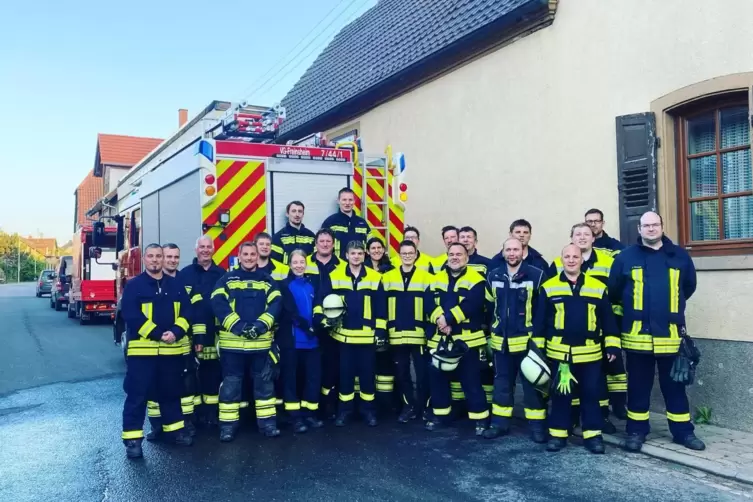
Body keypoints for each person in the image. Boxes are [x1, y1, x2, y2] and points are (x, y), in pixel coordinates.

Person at [608, 211, 704, 452]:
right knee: (638, 388)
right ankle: (636, 432)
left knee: (675, 388)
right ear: (639, 230)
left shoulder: (680, 256)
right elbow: (615, 291)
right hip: (637, 337)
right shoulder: (624, 258)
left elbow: (688, 287)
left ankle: (683, 432)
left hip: (671, 337)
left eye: (655, 225)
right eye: (646, 226)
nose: (650, 229)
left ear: (662, 227)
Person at [537, 244, 620, 454]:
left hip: (591, 354)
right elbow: (540, 322)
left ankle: (593, 437)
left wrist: (612, 345)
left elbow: (608, 320)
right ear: (561, 260)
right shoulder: (549, 286)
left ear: (582, 260)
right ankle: (558, 434)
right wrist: (539, 351)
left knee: (591, 394)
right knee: (561, 396)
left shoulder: (597, 287)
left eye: (575, 256)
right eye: (567, 256)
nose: (572, 260)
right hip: (560, 354)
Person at [549, 223, 627, 431]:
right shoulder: (556, 264)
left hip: (598, 335)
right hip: (565, 343)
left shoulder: (608, 262)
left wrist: (612, 340)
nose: (582, 238)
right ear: (571, 239)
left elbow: (615, 296)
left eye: (586, 234)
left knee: (595, 384)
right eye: (577, 234)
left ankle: (600, 420)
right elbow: (547, 307)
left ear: (594, 238)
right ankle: (571, 420)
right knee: (567, 386)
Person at [120, 243, 193, 458]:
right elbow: (131, 315)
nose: (155, 260)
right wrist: (159, 333)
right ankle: (133, 440)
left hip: (171, 353)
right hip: (142, 354)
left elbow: (187, 312)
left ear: (163, 259)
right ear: (144, 259)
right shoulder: (134, 286)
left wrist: (176, 332)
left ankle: (175, 433)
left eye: (158, 256)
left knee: (171, 394)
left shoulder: (176, 285)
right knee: (137, 396)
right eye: (151, 256)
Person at [211, 241, 282, 441]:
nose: (250, 257)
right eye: (246, 254)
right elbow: (218, 303)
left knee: (264, 386)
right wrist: (239, 326)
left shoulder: (267, 281)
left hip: (260, 346)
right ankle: (227, 427)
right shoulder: (227, 279)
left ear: (257, 256)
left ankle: (268, 425)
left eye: (253, 254)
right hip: (232, 347)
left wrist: (260, 326)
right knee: (231, 388)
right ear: (239, 257)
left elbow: (276, 305)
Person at [483, 237, 547, 443]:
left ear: (523, 251)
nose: (512, 253)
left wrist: (538, 339)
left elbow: (543, 311)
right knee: (501, 385)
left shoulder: (536, 276)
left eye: (516, 250)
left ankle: (537, 427)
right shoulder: (493, 276)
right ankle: (499, 424)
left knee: (531, 387)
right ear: (503, 253)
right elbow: (488, 308)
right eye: (508, 250)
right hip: (501, 342)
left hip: (527, 343)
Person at [425, 243, 489, 436]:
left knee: (471, 381)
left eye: (459, 254)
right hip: (441, 340)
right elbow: (429, 302)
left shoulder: (476, 280)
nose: (454, 257)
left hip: (468, 342)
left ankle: (480, 419)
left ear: (466, 258)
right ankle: (441, 415)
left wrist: (448, 319)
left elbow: (473, 304)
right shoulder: (436, 279)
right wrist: (439, 319)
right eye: (451, 254)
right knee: (438, 380)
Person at [323, 240, 386, 427]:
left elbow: (381, 307)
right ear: (346, 255)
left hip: (367, 336)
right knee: (346, 376)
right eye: (353, 253)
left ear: (364, 255)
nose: (356, 256)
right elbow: (323, 300)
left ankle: (368, 411)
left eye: (359, 253)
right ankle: (345, 411)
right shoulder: (334, 275)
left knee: (368, 376)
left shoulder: (375, 277)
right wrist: (326, 322)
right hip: (343, 336)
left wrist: (380, 330)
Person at [144, 242, 198, 440]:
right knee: (153, 390)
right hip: (152, 347)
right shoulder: (149, 283)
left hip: (180, 346)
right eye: (169, 257)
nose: (172, 260)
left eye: (176, 257)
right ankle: (157, 426)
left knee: (184, 389)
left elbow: (192, 311)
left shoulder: (185, 282)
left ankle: (185, 425)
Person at [382, 240, 435, 423]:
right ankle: (408, 406)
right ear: (399, 255)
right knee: (402, 374)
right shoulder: (387, 277)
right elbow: (381, 307)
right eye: (403, 253)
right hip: (396, 335)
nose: (407, 256)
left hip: (419, 335)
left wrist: (430, 328)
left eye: (410, 253)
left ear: (415, 254)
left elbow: (432, 306)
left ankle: (425, 407)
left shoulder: (426, 277)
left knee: (423, 374)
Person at [179, 236, 226, 428]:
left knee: (212, 374)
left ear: (214, 249)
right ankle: (192, 416)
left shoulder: (222, 274)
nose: (205, 250)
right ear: (195, 249)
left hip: (214, 333)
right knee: (189, 375)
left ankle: (211, 414)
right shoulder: (185, 274)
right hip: (189, 333)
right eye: (202, 247)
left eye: (208, 247)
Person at [278, 250, 325, 433]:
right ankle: (294, 417)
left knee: (312, 379)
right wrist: (308, 327)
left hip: (312, 342)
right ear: (290, 265)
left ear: (306, 264)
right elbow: (290, 312)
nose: (298, 265)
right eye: (295, 262)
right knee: (291, 380)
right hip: (293, 341)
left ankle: (310, 414)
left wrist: (319, 323)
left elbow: (318, 306)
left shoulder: (312, 284)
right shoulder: (284, 285)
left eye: (301, 262)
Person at [307, 229, 343, 419]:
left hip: (333, 326)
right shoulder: (305, 264)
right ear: (316, 243)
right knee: (311, 367)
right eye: (322, 241)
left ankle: (329, 405)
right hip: (309, 325)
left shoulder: (342, 266)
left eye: (328, 241)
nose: (325, 244)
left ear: (333, 244)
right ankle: (312, 407)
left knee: (332, 366)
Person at [321, 187, 371, 258]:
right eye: (344, 200)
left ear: (354, 201)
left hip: (359, 265)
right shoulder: (330, 222)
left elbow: (371, 245)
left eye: (350, 200)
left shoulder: (362, 223)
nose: (347, 203)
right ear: (338, 201)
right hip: (337, 266)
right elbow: (321, 246)